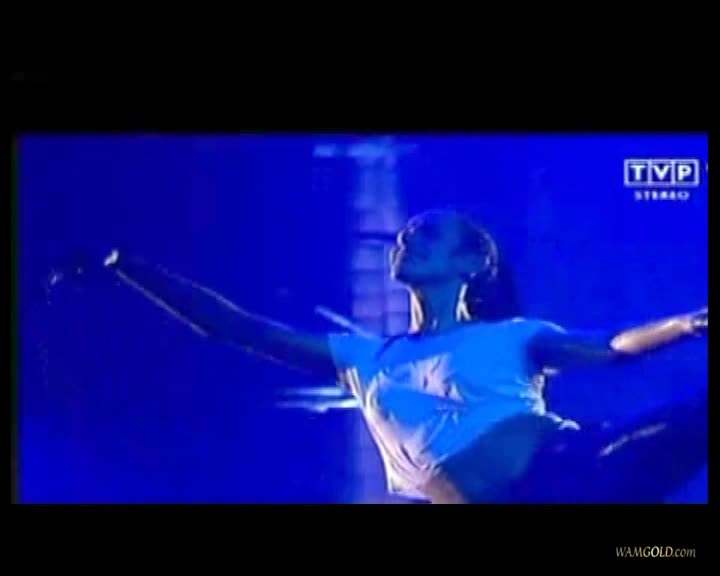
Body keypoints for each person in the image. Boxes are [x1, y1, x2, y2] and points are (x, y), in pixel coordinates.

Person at [101, 209, 708, 503]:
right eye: (402, 237)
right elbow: (235, 328)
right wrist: (128, 265)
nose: (406, 240)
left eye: (426, 235)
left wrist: (686, 323)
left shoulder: (514, 336)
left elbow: (611, 346)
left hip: (575, 473)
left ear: (472, 264)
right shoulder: (363, 359)